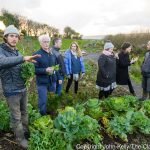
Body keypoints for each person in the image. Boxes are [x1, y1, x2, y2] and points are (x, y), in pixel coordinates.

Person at [0, 25, 40, 149]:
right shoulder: (1, 51)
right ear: (5, 37)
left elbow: (20, 67)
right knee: (16, 117)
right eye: (11, 36)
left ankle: (26, 133)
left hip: (22, 89)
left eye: (16, 36)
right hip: (11, 91)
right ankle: (20, 139)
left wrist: (28, 72)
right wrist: (23, 58)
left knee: (25, 112)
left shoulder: (17, 51)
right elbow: (2, 62)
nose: (14, 38)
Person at [33, 34, 62, 115]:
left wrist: (59, 77)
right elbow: (34, 70)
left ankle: (51, 114)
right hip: (42, 82)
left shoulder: (51, 53)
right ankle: (43, 116)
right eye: (44, 42)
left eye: (48, 42)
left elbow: (56, 66)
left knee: (51, 99)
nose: (46, 44)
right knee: (43, 100)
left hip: (52, 81)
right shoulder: (37, 55)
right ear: (40, 43)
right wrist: (45, 70)